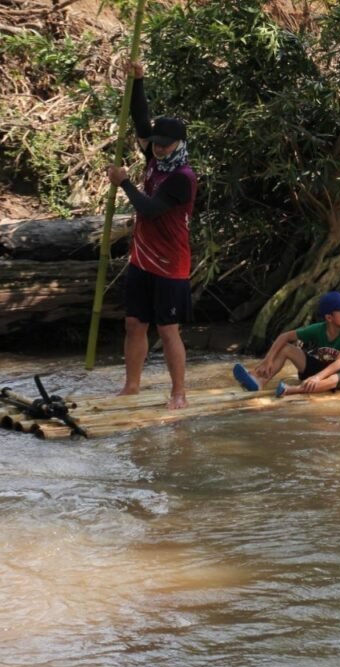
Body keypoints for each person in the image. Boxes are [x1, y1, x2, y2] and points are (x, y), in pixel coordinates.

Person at [106, 60, 197, 409]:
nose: (158, 149)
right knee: (134, 323)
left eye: (165, 145)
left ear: (179, 145)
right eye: (157, 144)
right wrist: (138, 80)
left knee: (168, 329)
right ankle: (131, 386)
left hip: (171, 264)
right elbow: (141, 121)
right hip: (142, 258)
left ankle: (179, 392)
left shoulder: (182, 178)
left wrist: (125, 182)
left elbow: (150, 209)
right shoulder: (156, 159)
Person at [233, 291, 340, 398]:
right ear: (329, 318)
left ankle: (291, 390)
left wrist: (317, 377)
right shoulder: (319, 329)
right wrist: (268, 360)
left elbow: (339, 363)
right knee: (286, 348)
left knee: (335, 379)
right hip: (320, 371)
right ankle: (260, 380)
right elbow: (284, 337)